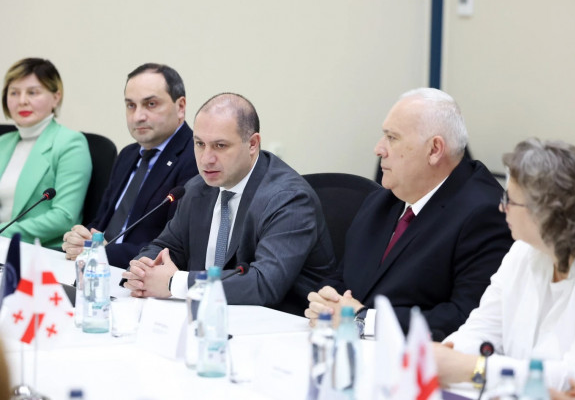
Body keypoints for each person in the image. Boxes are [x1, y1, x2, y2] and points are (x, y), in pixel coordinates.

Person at [305, 87, 512, 340]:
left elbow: (467, 318)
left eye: (392, 138)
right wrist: (326, 303)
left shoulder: (485, 213)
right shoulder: (382, 201)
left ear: (434, 150)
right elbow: (342, 277)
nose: (379, 149)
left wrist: (363, 320)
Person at [122, 93, 336, 315]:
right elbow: (166, 247)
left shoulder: (288, 199)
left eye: (220, 146)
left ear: (252, 144)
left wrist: (174, 283)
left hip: (283, 322)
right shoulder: (197, 189)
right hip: (211, 317)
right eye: (200, 144)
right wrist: (141, 271)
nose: (206, 159)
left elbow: (264, 284)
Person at [433, 139, 575, 391]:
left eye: (510, 199)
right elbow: (481, 329)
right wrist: (446, 354)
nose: (502, 207)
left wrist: (474, 369)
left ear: (547, 211)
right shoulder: (522, 251)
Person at [61, 63, 197, 268]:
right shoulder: (128, 154)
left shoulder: (194, 157)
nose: (138, 116)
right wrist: (80, 238)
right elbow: (101, 224)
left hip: (137, 274)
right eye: (131, 105)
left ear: (180, 107)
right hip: (95, 267)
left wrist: (103, 252)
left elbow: (175, 247)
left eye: (151, 104)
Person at [0, 58, 92, 248]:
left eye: (32, 92)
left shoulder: (70, 143)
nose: (22, 101)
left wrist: (3, 232)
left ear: (56, 97)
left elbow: (63, 217)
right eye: (14, 93)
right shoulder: (3, 142)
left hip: (40, 252)